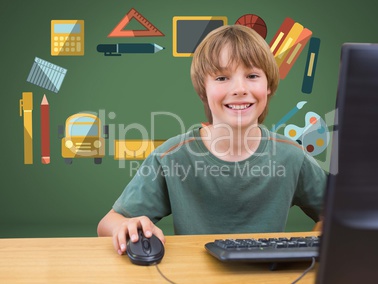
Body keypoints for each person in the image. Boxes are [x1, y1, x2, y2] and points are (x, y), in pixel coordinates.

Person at [97, 25, 327, 255]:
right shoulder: (171, 156)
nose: (239, 88)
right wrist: (125, 226)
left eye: (252, 75)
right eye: (222, 77)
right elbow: (108, 222)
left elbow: (336, 215)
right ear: (202, 90)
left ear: (268, 86)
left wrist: (311, 244)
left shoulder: (293, 156)